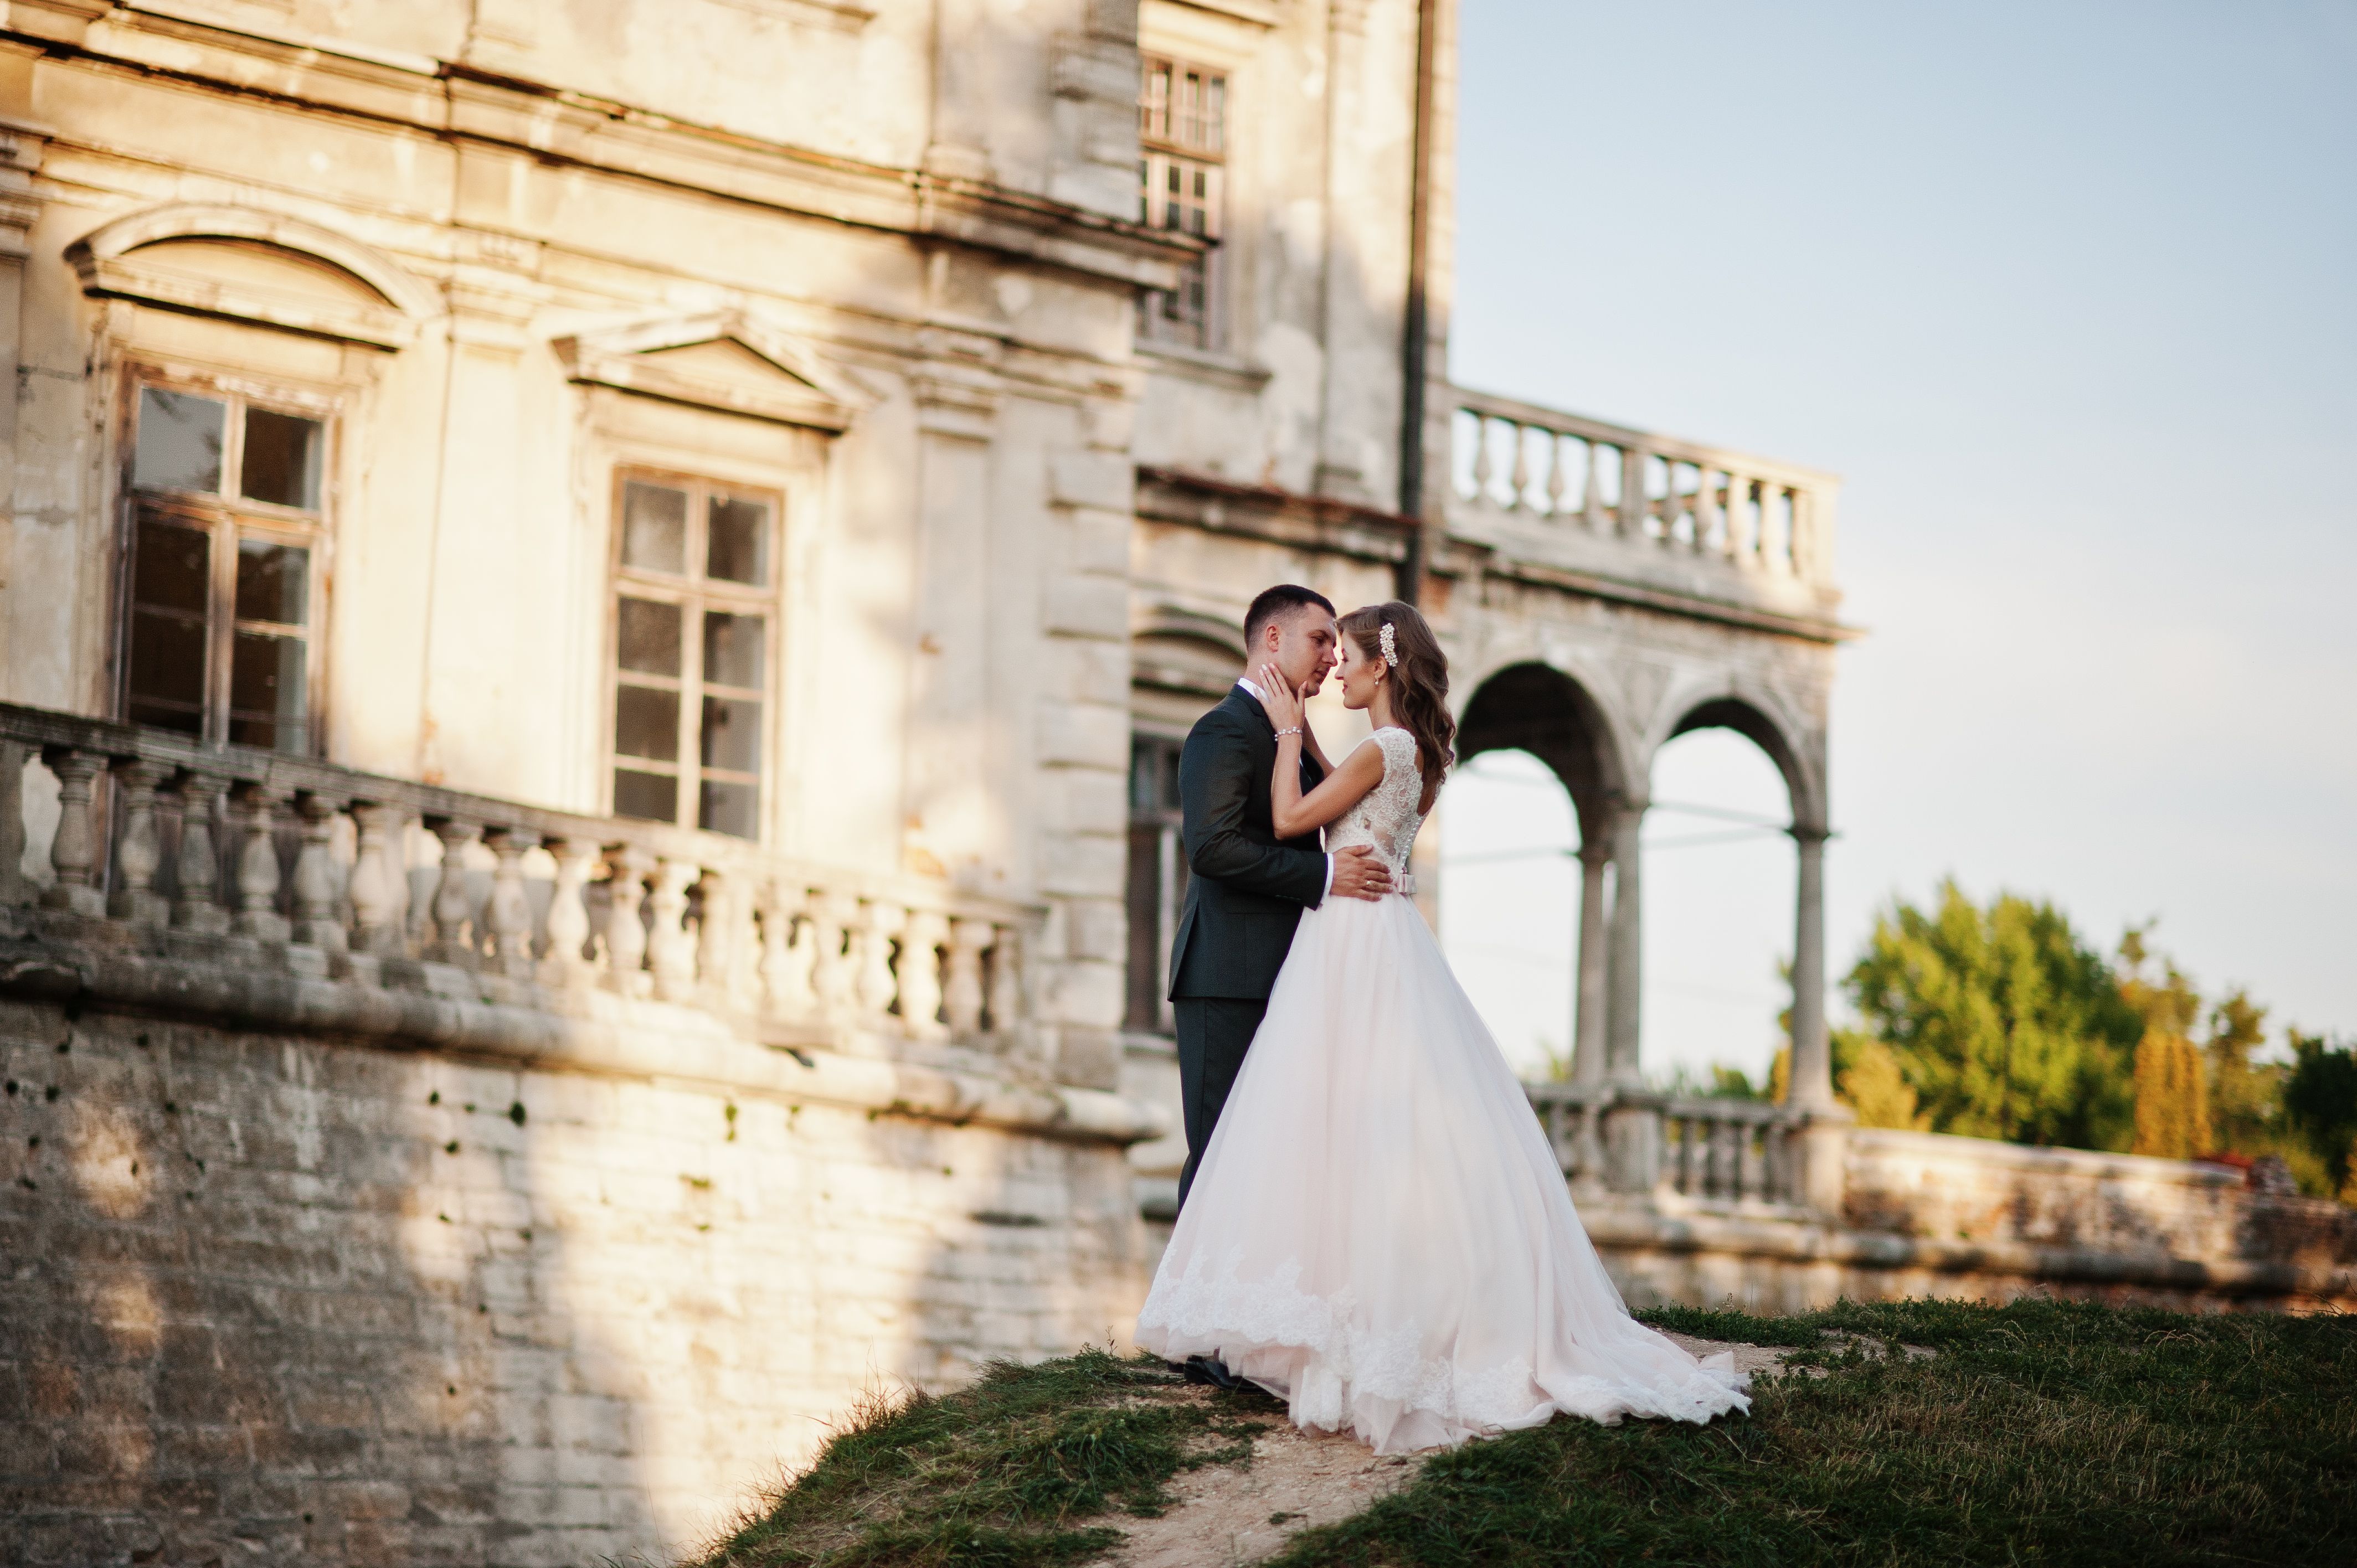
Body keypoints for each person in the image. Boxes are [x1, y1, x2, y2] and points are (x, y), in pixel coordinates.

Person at [1136, 599, 1751, 1454]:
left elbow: (1288, 823)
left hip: (1343, 949)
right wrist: (1303, 764)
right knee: (1276, 1144)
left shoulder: (1369, 749)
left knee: (1321, 1141)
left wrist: (1290, 741)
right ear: (1273, 641)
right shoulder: (1339, 745)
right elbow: (1219, 845)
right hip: (1304, 956)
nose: (1332, 666)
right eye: (1322, 646)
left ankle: (1264, 1331)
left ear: (1380, 666)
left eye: (1343, 652)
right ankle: (1238, 1333)